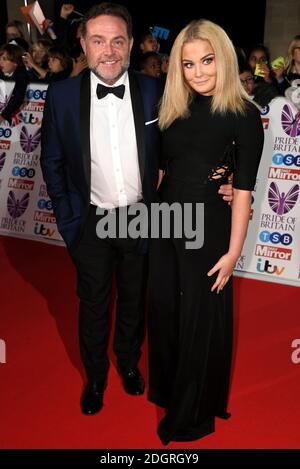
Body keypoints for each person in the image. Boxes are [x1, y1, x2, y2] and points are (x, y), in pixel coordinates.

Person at [40, 3, 233, 417]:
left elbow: (190, 144)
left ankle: (127, 363)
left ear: (129, 45)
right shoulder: (60, 97)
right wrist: (70, 223)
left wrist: (227, 179)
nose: (107, 51)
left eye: (116, 41)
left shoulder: (155, 89)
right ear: (84, 45)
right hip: (90, 220)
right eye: (97, 41)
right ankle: (94, 377)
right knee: (93, 303)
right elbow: (52, 163)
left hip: (142, 217)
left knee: (133, 299)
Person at [148, 19, 264, 445]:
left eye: (208, 60)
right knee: (164, 310)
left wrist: (234, 253)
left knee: (200, 318)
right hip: (164, 223)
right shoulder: (172, 111)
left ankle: (190, 414)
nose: (198, 73)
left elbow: (245, 191)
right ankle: (165, 385)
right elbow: (163, 172)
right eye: (188, 64)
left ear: (225, 58)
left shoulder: (245, 116)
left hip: (208, 227)